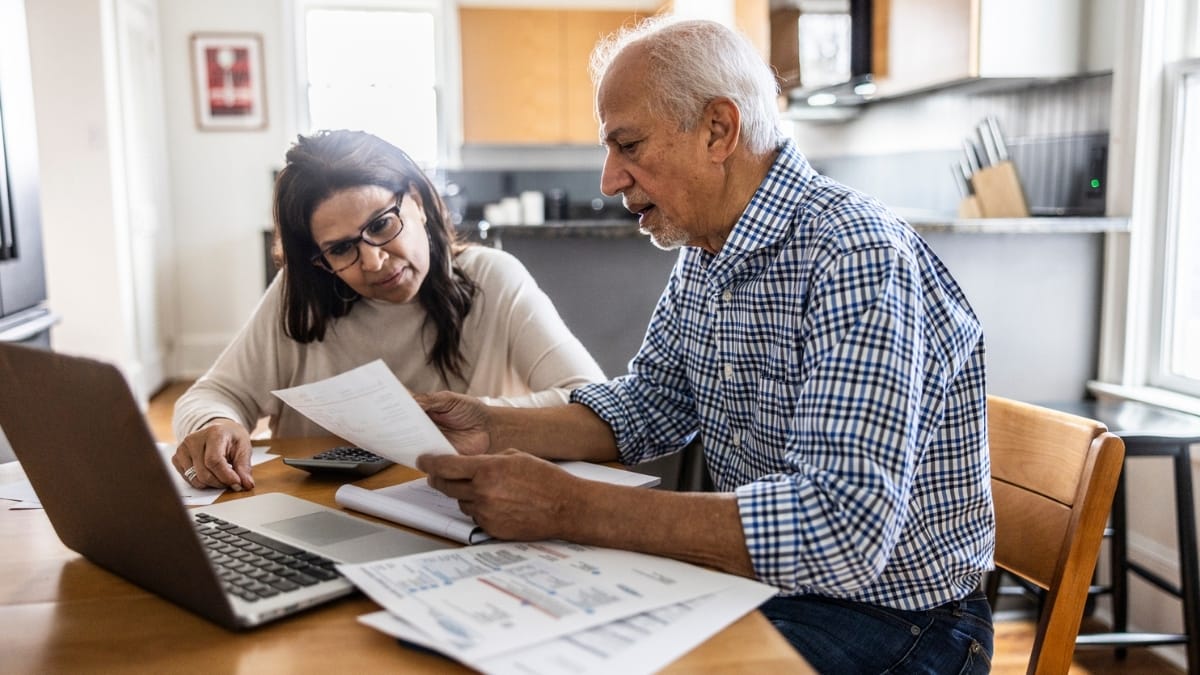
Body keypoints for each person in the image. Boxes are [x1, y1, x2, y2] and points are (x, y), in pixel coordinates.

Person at [415, 17, 995, 674]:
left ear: (719, 130)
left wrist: (569, 506)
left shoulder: (855, 254)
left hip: (899, 619)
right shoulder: (707, 251)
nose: (609, 179)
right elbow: (650, 402)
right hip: (774, 587)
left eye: (627, 144)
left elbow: (843, 528)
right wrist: (493, 425)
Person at [171, 129, 604, 493]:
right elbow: (212, 396)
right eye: (342, 249)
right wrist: (214, 424)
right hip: (319, 513)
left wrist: (480, 416)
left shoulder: (492, 278)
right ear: (319, 261)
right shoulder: (299, 296)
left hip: (456, 507)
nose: (374, 261)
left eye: (381, 225)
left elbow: (593, 401)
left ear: (416, 199)